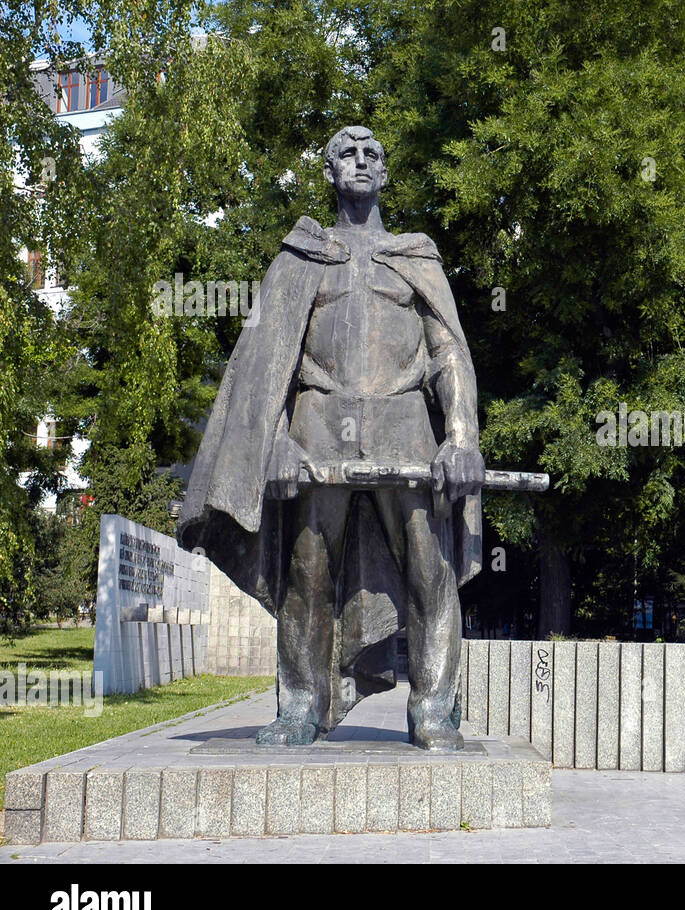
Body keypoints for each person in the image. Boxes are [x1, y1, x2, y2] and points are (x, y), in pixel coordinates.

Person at [178, 126, 485, 748]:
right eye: (348, 153)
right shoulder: (300, 258)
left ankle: (432, 710)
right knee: (306, 572)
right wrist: (274, 441)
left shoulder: (415, 257)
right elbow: (269, 366)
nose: (362, 161)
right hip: (317, 428)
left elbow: (448, 352)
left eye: (373, 154)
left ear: (386, 174)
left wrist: (460, 437)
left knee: (432, 571)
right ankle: (300, 706)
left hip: (405, 429)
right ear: (329, 172)